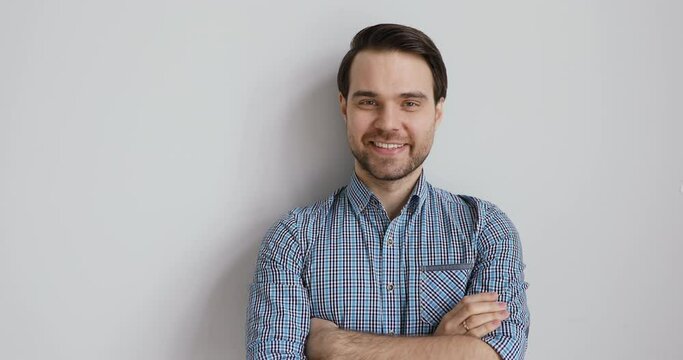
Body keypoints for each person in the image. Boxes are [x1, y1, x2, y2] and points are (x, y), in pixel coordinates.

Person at [245, 23, 530, 360]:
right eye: (369, 101)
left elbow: (500, 355)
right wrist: (442, 348)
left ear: (437, 112)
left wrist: (336, 347)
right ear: (344, 107)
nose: (388, 123)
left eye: (409, 103)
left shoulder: (486, 229)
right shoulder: (293, 239)